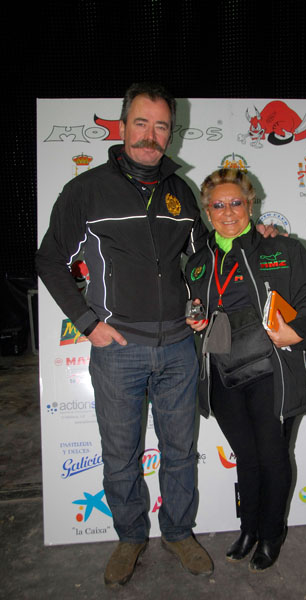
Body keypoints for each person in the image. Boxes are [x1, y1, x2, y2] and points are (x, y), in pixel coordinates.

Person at [36, 83, 213, 586]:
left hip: (178, 346)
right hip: (118, 350)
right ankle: (131, 536)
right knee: (120, 456)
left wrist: (201, 302)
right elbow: (50, 260)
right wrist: (87, 323)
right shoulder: (86, 190)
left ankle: (178, 532)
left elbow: (202, 258)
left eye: (161, 126)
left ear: (170, 133)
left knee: (180, 452)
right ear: (121, 126)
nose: (150, 135)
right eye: (141, 123)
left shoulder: (182, 191)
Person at [185, 168, 306, 572]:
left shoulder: (283, 248)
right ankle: (248, 529)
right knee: (246, 457)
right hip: (222, 373)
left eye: (236, 202)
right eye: (218, 205)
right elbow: (194, 307)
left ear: (251, 205)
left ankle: (271, 534)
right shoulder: (197, 262)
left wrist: (296, 331)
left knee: (272, 456)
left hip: (271, 370)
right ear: (207, 212)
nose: (228, 211)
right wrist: (195, 320)